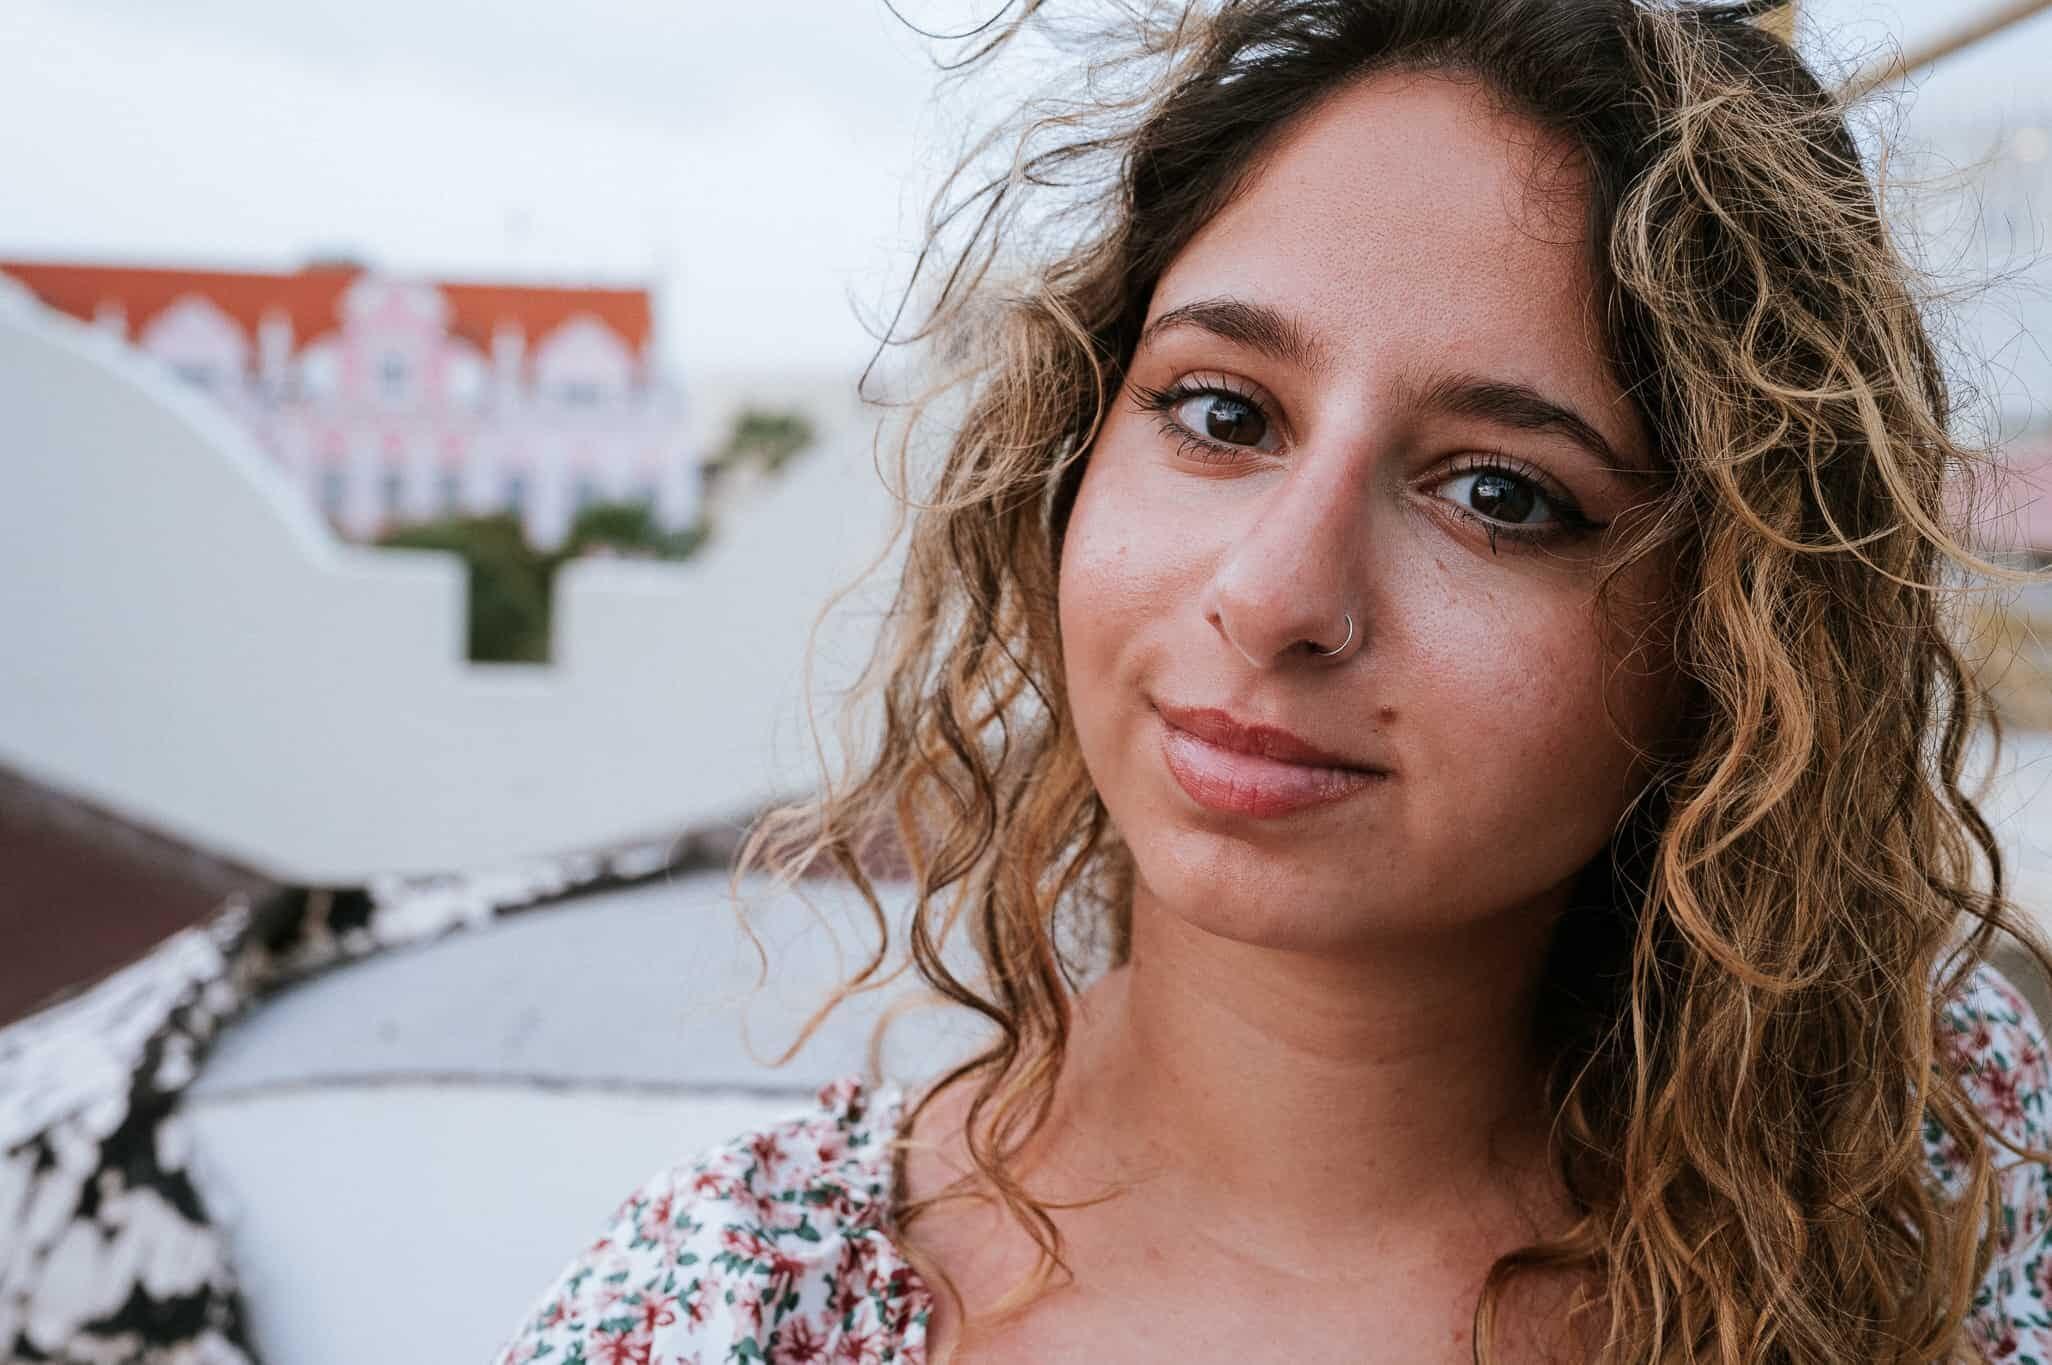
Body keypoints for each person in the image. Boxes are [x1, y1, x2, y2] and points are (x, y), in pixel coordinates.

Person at [497, 1, 2052, 1360]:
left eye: (1500, 493)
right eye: (1224, 413)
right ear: (1070, 458)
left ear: (1739, 635)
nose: (1276, 595)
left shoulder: (1930, 1170)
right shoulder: (732, 1310)